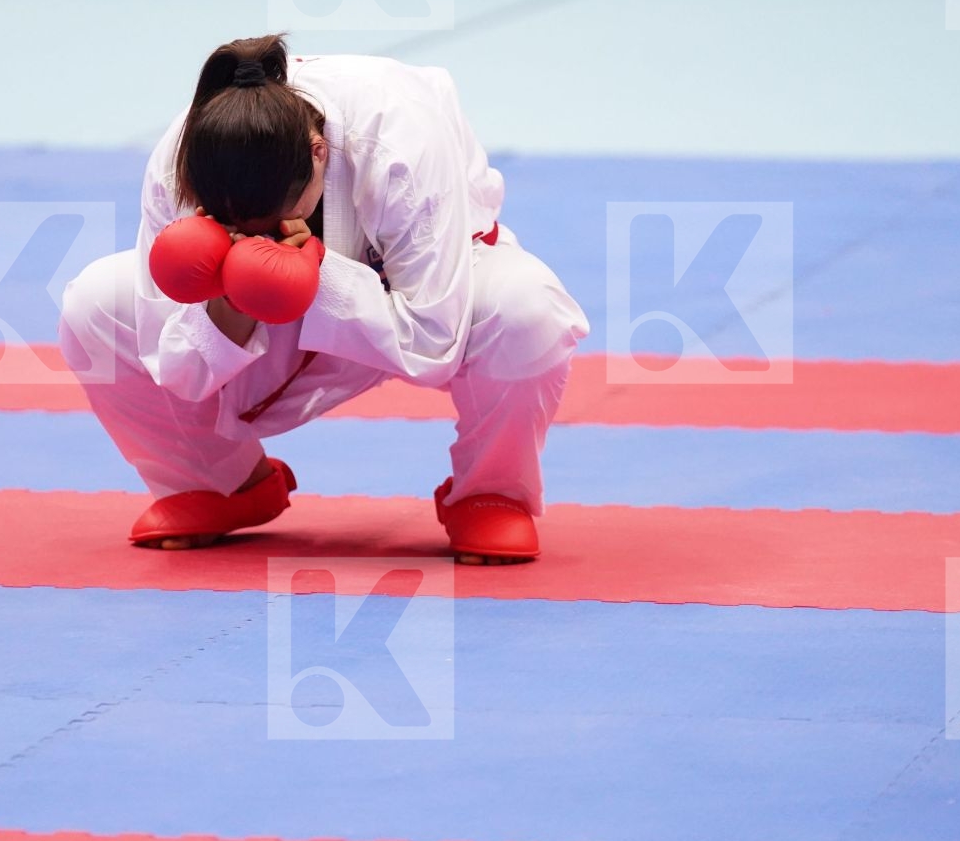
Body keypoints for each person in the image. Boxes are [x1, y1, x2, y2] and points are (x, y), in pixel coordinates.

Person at [57, 34, 589, 563]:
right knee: (95, 305)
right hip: (271, 304)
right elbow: (171, 364)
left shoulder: (400, 141)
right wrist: (233, 297)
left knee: (527, 307)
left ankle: (491, 492)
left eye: (271, 220)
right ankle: (215, 483)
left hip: (418, 288)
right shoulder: (180, 160)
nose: (256, 236)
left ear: (319, 153)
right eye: (231, 225)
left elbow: (435, 342)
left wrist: (320, 271)